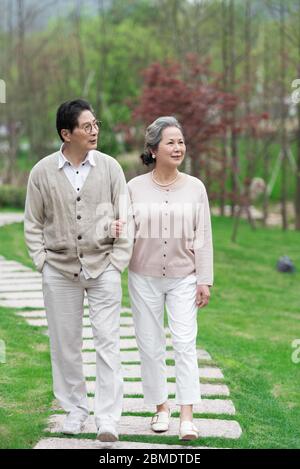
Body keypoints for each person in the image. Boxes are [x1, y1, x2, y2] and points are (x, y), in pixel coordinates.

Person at [24, 99, 133, 442]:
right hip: (58, 270)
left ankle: (108, 418)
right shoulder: (42, 172)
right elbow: (32, 223)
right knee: (65, 344)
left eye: (96, 124)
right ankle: (74, 410)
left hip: (104, 267)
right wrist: (42, 262)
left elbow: (126, 217)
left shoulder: (111, 167)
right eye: (87, 127)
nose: (95, 131)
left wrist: (117, 262)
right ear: (66, 133)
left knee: (108, 343)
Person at [112, 116, 213, 441]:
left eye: (180, 142)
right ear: (153, 149)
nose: (178, 147)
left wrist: (204, 279)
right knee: (150, 345)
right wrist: (112, 230)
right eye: (170, 142)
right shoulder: (134, 188)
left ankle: (186, 415)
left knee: (185, 344)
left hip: (185, 277)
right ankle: (160, 409)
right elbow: (124, 230)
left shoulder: (196, 187)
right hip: (143, 277)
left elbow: (204, 236)